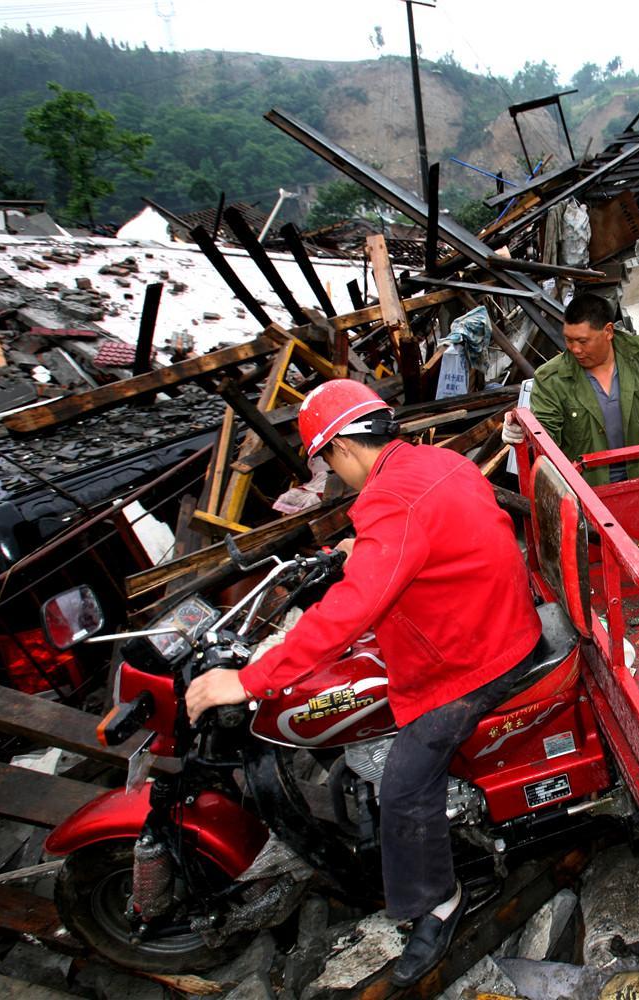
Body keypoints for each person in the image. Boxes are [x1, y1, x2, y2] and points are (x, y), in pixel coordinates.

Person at [185, 379, 542, 987]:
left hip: (474, 654)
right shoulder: (434, 461)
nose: (332, 472)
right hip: (491, 616)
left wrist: (249, 681)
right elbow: (429, 535)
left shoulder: (388, 501)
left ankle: (438, 903)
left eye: (327, 460)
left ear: (344, 448)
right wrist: (365, 549)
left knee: (405, 784)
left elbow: (350, 610)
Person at [501, 294, 639, 485]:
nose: (574, 349)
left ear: (608, 331)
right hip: (586, 496)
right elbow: (545, 442)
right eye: (568, 339)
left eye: (583, 341)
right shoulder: (552, 379)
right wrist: (523, 435)